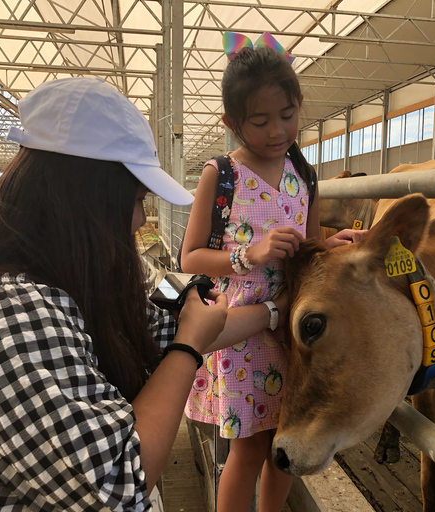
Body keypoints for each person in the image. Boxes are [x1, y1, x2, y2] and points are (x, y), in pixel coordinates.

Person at [0, 77, 286, 512]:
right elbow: (119, 483)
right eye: (136, 201)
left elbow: (176, 326)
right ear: (86, 201)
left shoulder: (75, 284)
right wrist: (188, 349)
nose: (139, 220)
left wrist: (273, 310)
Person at [179, 33, 363, 512]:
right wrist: (250, 254)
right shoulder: (221, 175)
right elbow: (191, 257)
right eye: (260, 121)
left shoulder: (304, 174)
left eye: (288, 115)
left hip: (294, 331)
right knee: (249, 446)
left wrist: (329, 246)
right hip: (241, 332)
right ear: (232, 123)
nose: (277, 130)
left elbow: (306, 244)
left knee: (287, 445)